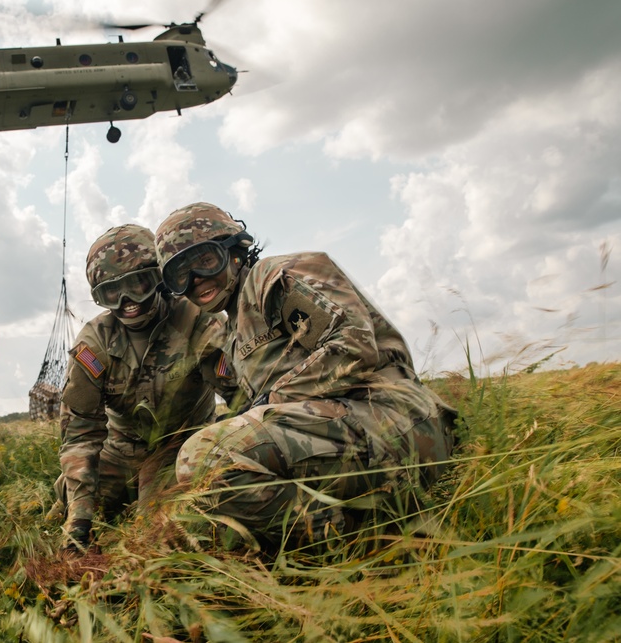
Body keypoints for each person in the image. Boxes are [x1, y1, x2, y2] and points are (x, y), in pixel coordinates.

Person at [154, 202, 456, 548]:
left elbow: (353, 346)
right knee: (199, 512)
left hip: (394, 421)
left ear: (234, 251)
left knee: (205, 455)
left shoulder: (274, 275)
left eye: (206, 261)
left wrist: (270, 402)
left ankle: (356, 541)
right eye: (181, 275)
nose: (196, 281)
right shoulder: (235, 326)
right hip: (356, 433)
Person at [55, 224, 240, 552]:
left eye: (138, 285)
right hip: (119, 451)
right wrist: (79, 522)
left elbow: (241, 398)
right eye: (113, 293)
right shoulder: (95, 342)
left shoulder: (196, 321)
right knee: (70, 500)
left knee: (156, 534)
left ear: (158, 279)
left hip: (178, 450)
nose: (128, 302)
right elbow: (81, 434)